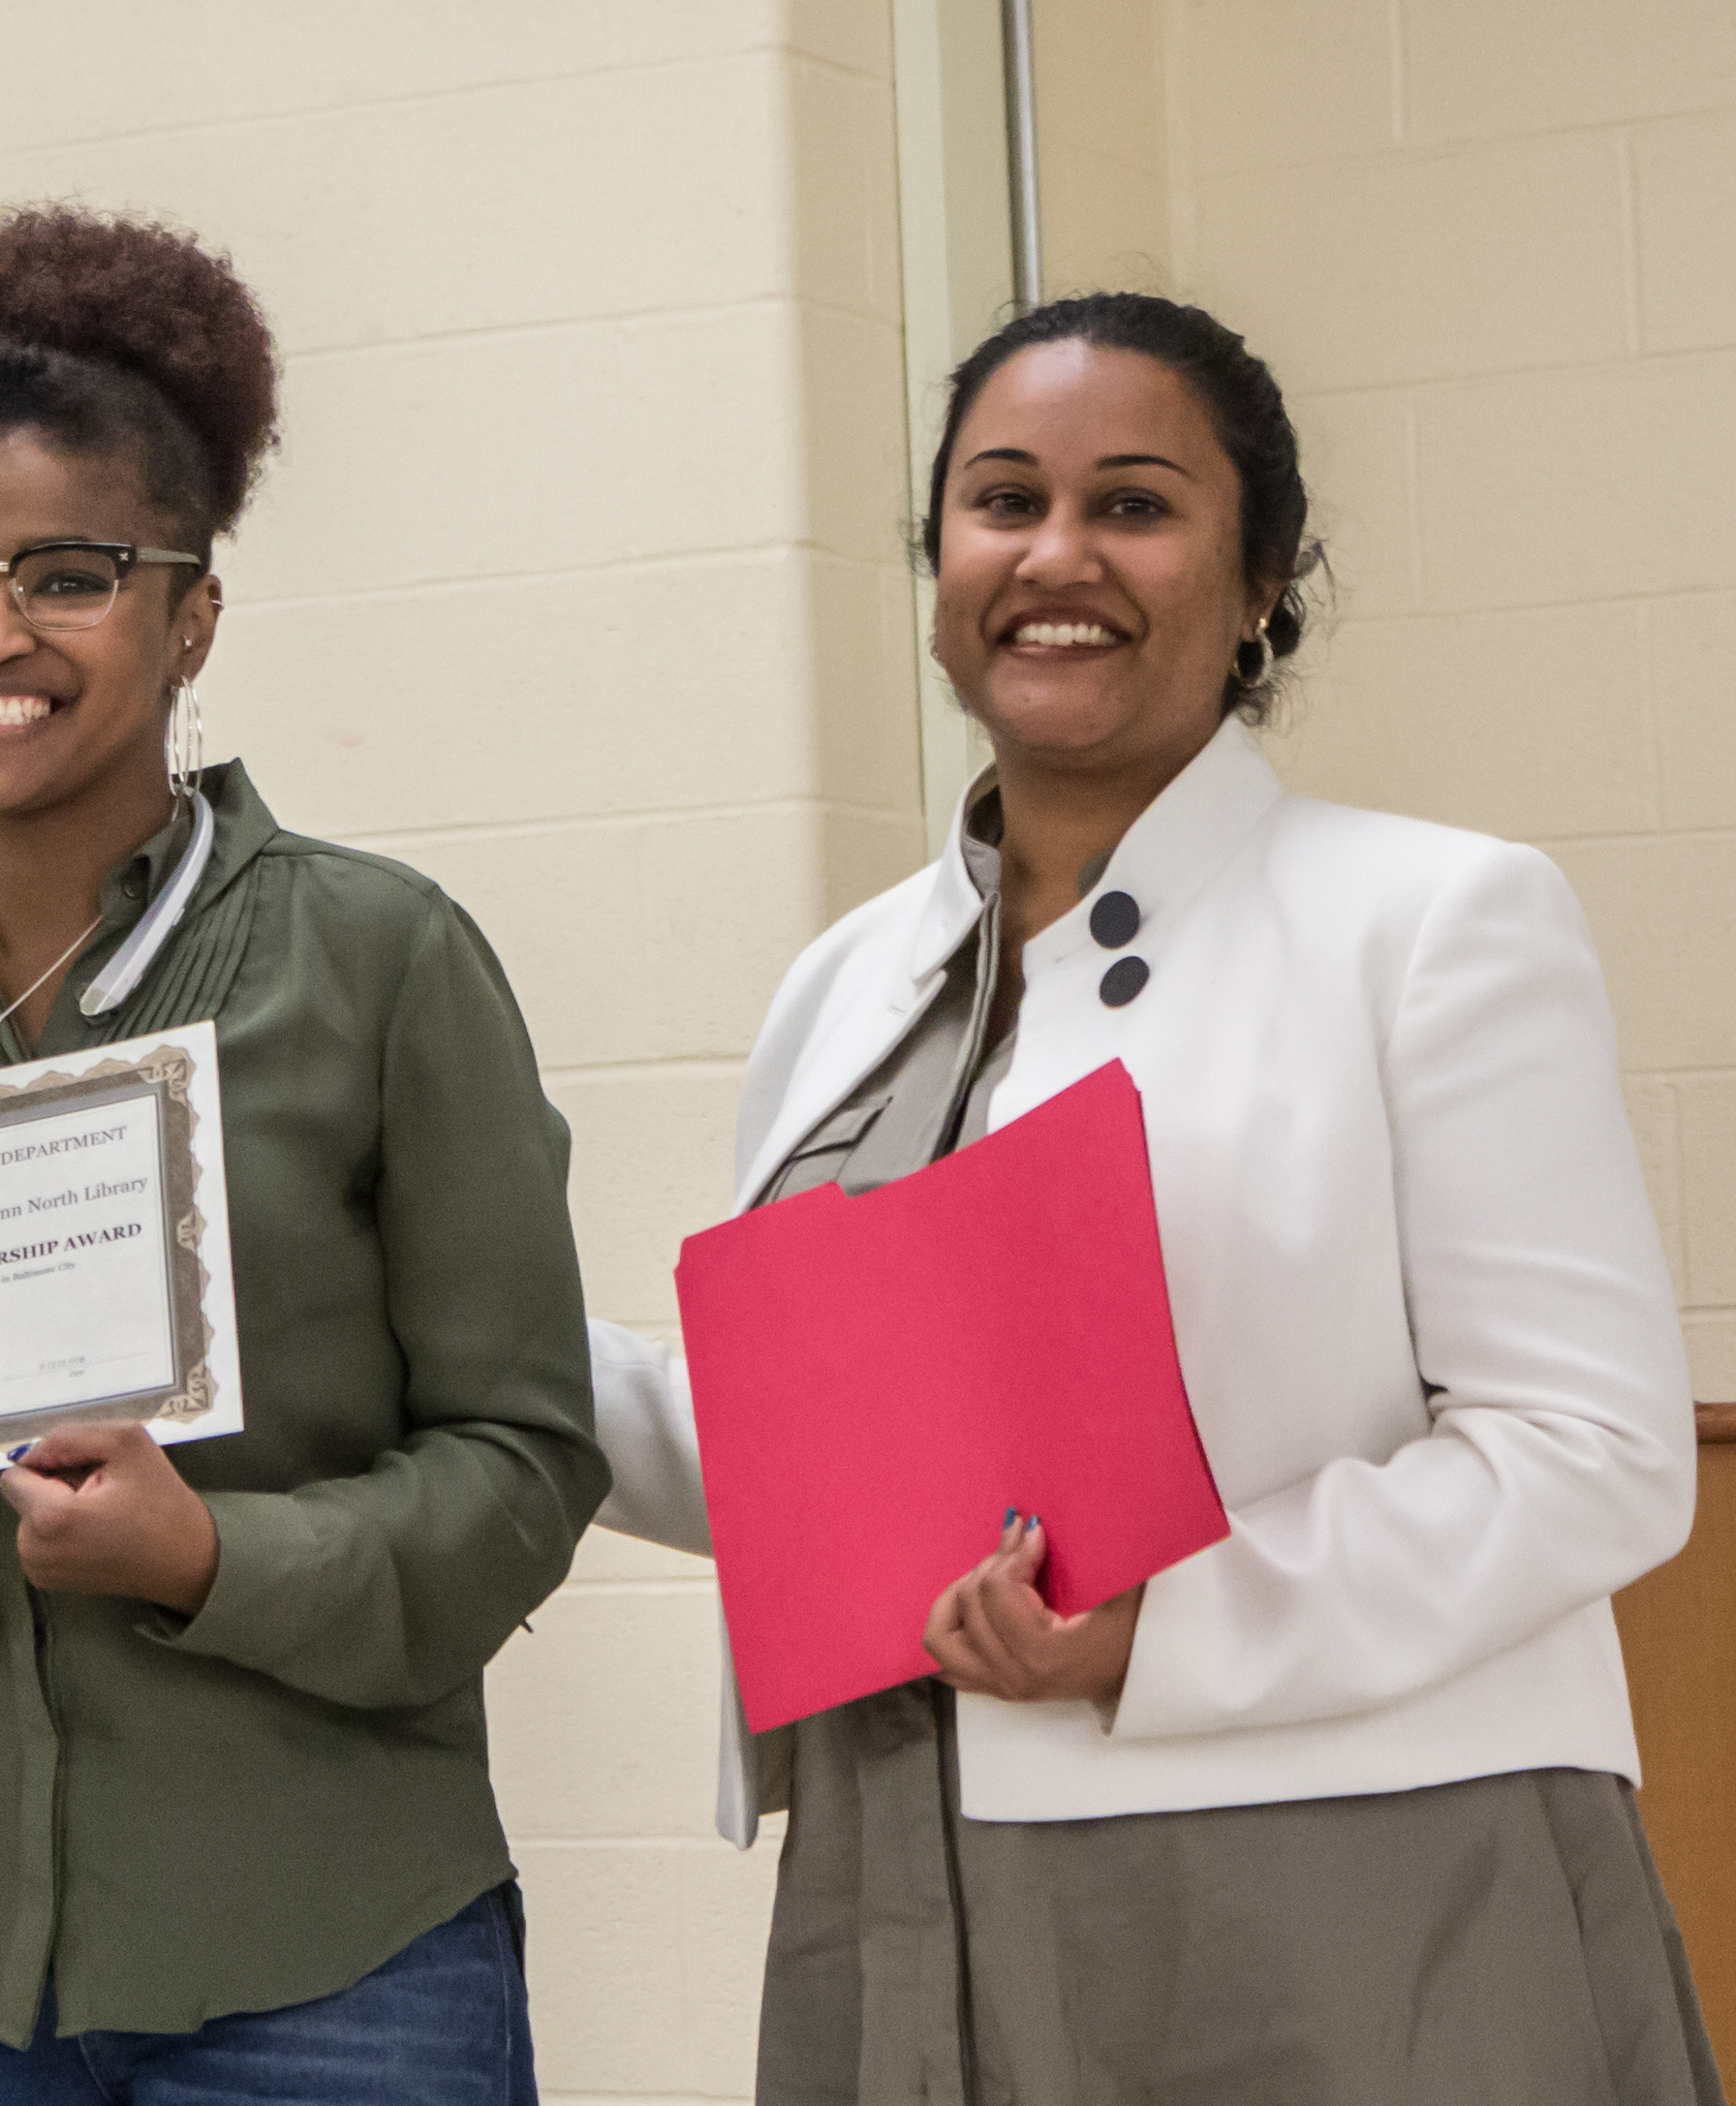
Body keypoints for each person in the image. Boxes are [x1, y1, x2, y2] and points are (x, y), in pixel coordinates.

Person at [588, 293, 1717, 2106]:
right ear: (938, 560)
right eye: (1001, 498)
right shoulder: (844, 987)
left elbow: (1592, 1451)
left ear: (1260, 574)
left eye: (1133, 503)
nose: (1054, 554)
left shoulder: (1428, 921)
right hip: (898, 1873)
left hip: (1339, 1872)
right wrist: (449, 1311)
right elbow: (827, 1477)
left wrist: (1157, 1633)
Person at [0, 206, 602, 2104]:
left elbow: (526, 1467)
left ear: (192, 613)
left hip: (327, 1966)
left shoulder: (380, 962)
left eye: (72, 575)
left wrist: (212, 1556)